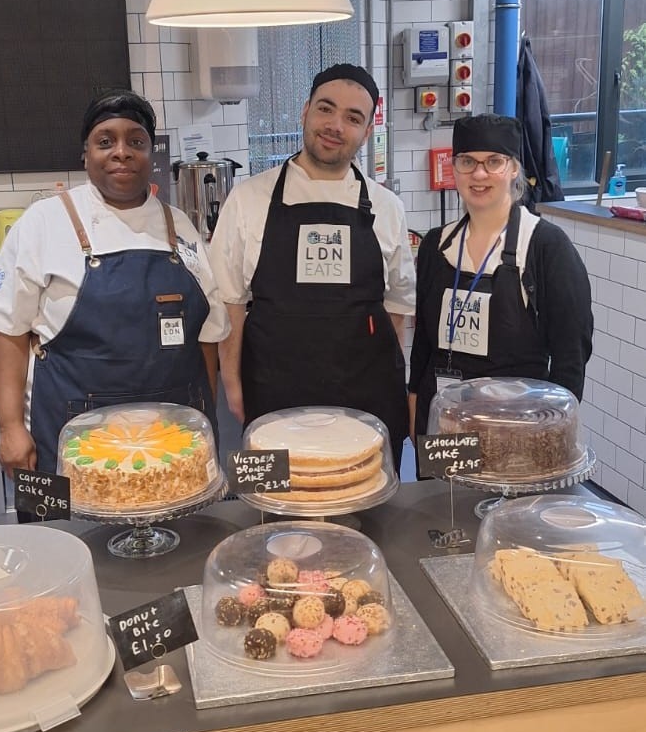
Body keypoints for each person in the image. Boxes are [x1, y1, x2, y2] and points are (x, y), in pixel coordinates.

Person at [0, 89, 229, 481]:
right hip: (69, 441)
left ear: (150, 154)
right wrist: (10, 429)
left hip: (171, 445)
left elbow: (207, 339)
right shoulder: (44, 222)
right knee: (68, 541)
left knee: (181, 540)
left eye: (136, 141)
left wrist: (206, 421)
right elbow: (8, 330)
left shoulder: (181, 227)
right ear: (85, 154)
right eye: (105, 141)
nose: (121, 152)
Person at [209, 63, 416, 468]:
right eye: (326, 109)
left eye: (353, 118)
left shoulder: (387, 207)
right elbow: (229, 299)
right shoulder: (249, 198)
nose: (335, 125)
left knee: (363, 502)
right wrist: (232, 382)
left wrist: (388, 377)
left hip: (365, 392)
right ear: (305, 111)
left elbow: (396, 305)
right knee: (281, 517)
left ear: (367, 131)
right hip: (274, 387)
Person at [408, 113, 593, 445]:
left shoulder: (545, 247)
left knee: (507, 500)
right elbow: (423, 340)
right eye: (467, 161)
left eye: (493, 161)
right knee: (443, 498)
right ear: (455, 168)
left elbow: (571, 355)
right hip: (446, 423)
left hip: (518, 429)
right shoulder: (436, 246)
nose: (479, 174)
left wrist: (553, 432)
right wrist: (414, 406)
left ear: (513, 168)